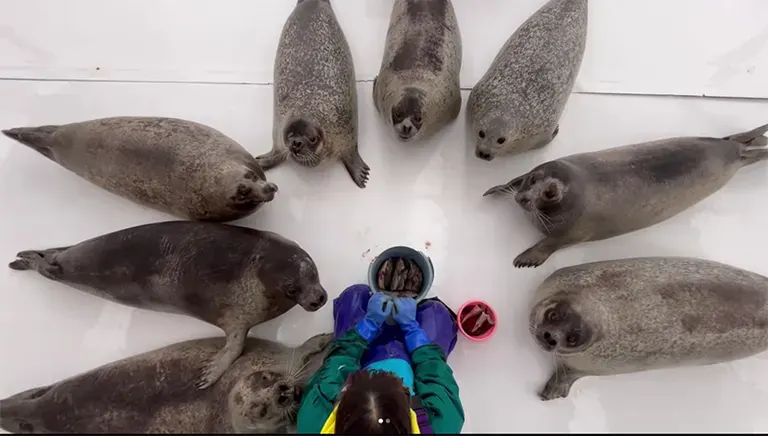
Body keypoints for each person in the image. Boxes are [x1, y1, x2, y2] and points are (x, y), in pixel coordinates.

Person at [296, 284, 464, 434]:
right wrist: (412, 330)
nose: (385, 371)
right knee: (436, 312)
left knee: (354, 295)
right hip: (411, 365)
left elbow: (335, 365)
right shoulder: (443, 426)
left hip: (364, 358)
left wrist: (367, 326)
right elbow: (436, 376)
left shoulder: (313, 423)